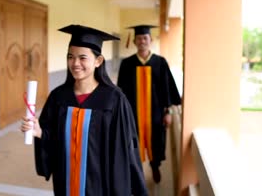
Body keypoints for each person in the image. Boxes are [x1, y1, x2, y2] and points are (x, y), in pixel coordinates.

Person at [21, 24, 148, 196]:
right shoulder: (58, 97)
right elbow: (54, 142)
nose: (75, 63)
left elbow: (125, 150)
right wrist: (40, 133)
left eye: (82, 58)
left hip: (101, 186)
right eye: (70, 57)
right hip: (65, 183)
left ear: (98, 61)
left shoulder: (114, 100)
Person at [117, 25, 181, 184]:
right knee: (133, 144)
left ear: (150, 40)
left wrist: (169, 113)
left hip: (156, 113)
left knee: (156, 142)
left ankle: (155, 166)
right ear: (134, 41)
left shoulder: (160, 62)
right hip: (133, 114)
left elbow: (168, 89)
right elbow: (120, 92)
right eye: (139, 38)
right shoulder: (127, 64)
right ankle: (136, 174)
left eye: (145, 38)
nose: (142, 41)